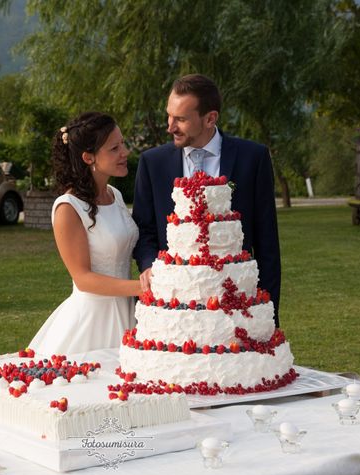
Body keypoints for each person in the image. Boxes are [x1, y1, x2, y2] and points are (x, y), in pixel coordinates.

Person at [132, 74, 282, 326]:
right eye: (169, 116)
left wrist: (268, 315)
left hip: (237, 302)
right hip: (174, 304)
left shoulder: (253, 158)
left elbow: (267, 243)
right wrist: (148, 267)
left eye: (180, 119)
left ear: (210, 118)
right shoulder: (152, 163)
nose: (170, 127)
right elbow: (144, 230)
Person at [29, 112, 143, 355]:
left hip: (128, 313)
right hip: (92, 322)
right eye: (114, 148)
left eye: (122, 143)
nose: (125, 152)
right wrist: (142, 288)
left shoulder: (115, 194)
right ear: (88, 157)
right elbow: (83, 278)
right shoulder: (68, 208)